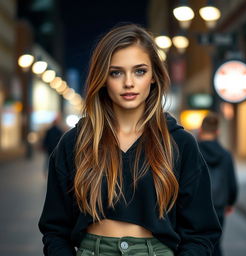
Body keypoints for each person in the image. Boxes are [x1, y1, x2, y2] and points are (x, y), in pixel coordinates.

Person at [39, 24, 221, 256]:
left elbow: (201, 232)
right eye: (116, 72)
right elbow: (54, 229)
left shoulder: (180, 144)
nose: (128, 83)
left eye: (139, 71)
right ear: (103, 78)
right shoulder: (75, 142)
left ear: (154, 76)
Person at [198, 112, 238, 256]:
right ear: (217, 132)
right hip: (219, 205)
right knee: (215, 243)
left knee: (197, 243)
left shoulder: (194, 151)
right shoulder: (226, 155)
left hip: (197, 205)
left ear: (201, 130)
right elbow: (232, 183)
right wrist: (230, 202)